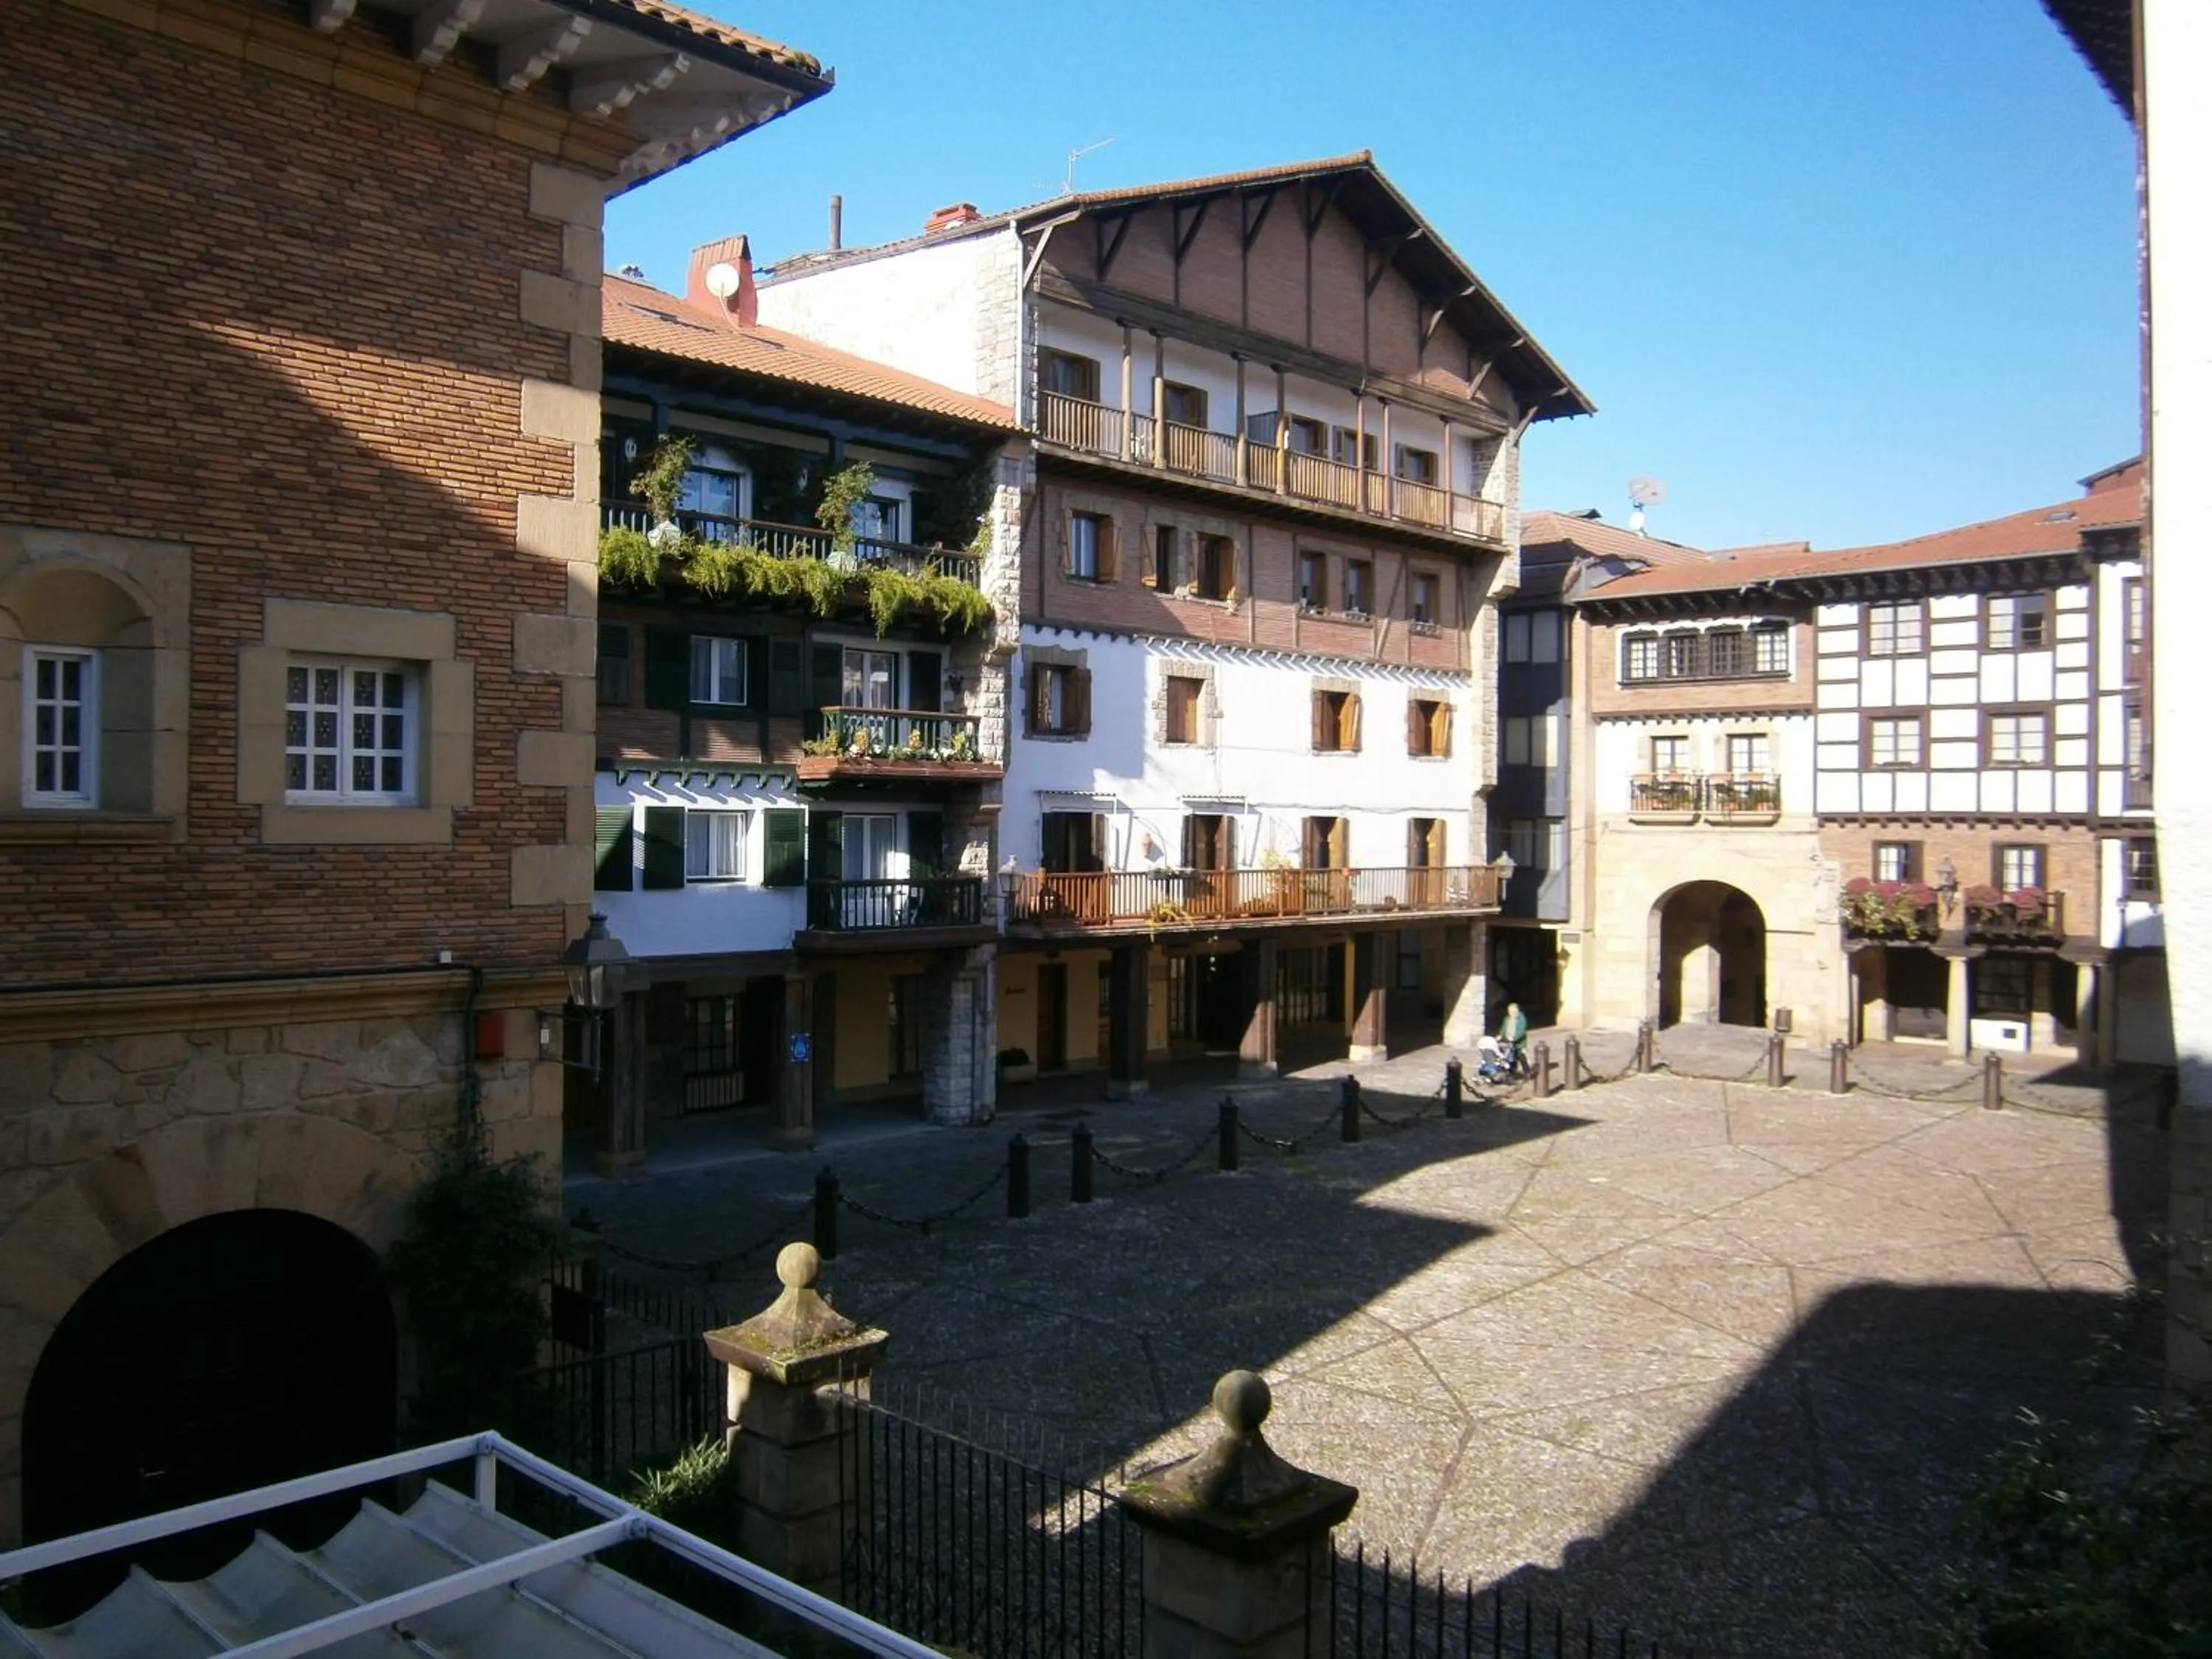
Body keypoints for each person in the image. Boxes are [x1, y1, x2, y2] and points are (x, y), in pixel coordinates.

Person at [1498, 1001, 1530, 1078]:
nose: (1510, 1013)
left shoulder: (1522, 1019)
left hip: (1519, 1043)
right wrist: (1500, 1035)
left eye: (1512, 1011)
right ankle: (1512, 1072)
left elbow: (1521, 1031)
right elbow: (1504, 1028)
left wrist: (1514, 1038)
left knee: (1521, 1057)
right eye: (1509, 1011)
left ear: (1517, 1011)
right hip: (1509, 1041)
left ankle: (1527, 1072)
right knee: (1511, 1056)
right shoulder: (1507, 1019)